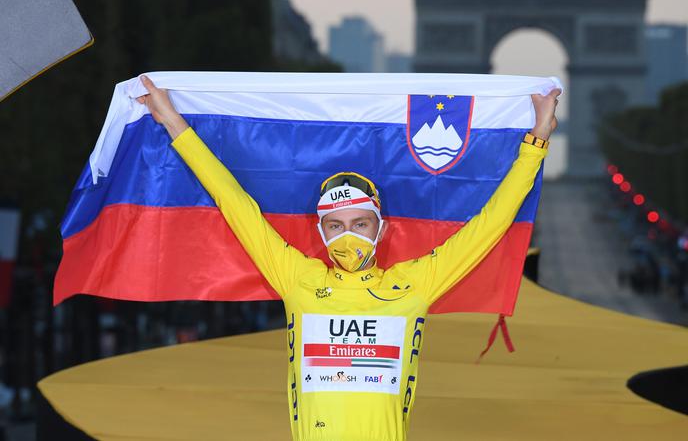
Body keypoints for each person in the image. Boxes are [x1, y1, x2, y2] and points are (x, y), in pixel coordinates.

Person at [137, 75, 559, 441]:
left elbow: (490, 224)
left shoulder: (416, 283)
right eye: (336, 226)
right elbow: (234, 203)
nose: (348, 236)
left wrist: (537, 139)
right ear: (321, 233)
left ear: (382, 228)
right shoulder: (296, 277)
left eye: (361, 223)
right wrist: (174, 122)